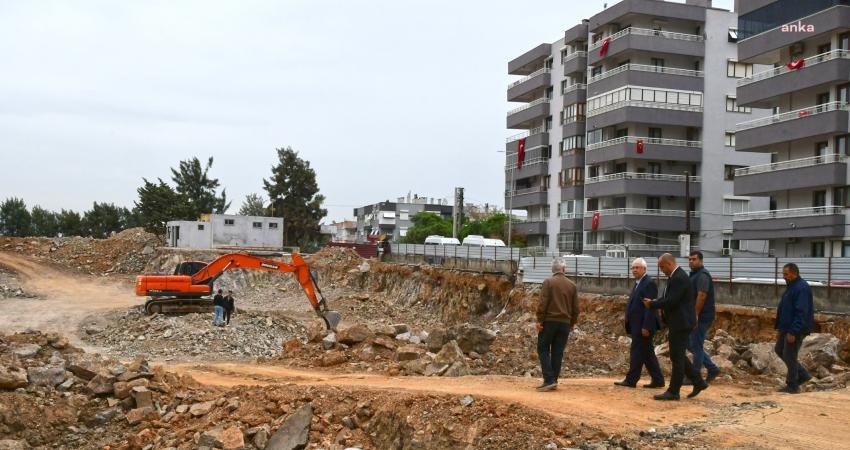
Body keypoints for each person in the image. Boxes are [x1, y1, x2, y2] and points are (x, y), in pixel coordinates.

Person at [643, 253, 708, 400]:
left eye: (662, 267)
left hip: (681, 323)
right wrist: (655, 302)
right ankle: (698, 382)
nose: (661, 270)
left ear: (669, 263)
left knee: (677, 358)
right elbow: (669, 298)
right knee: (677, 355)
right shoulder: (676, 276)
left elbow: (672, 301)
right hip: (679, 322)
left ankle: (674, 391)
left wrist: (652, 304)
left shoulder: (678, 277)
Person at [614, 257, 664, 389]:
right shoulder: (638, 283)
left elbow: (650, 306)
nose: (634, 270)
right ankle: (658, 379)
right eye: (633, 268)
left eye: (637, 267)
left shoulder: (649, 283)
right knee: (647, 353)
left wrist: (646, 326)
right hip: (637, 324)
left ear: (644, 269)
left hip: (643, 325)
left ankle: (631, 380)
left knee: (637, 351)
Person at [535, 257, 580, 392]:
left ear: (552, 269)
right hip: (565, 323)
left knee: (542, 348)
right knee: (558, 352)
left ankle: (549, 380)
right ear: (564, 269)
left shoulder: (548, 282)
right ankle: (553, 380)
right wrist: (572, 323)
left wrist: (539, 321)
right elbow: (576, 309)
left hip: (550, 322)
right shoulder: (572, 285)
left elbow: (543, 303)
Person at [774, 263, 814, 394]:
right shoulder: (791, 287)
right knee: (779, 349)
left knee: (789, 355)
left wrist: (793, 331)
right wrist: (780, 328)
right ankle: (802, 374)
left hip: (795, 329)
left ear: (794, 273)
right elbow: (784, 309)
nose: (784, 276)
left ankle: (792, 385)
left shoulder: (801, 288)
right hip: (786, 327)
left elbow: (801, 311)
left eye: (786, 274)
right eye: (783, 274)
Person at [685, 250, 721, 385]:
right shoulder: (695, 275)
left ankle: (694, 376)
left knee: (696, 344)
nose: (691, 261)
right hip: (697, 315)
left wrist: (695, 315)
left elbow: (702, 295)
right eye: (689, 259)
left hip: (702, 316)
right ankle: (712, 369)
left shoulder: (703, 275)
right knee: (691, 344)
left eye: (694, 259)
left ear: (700, 260)